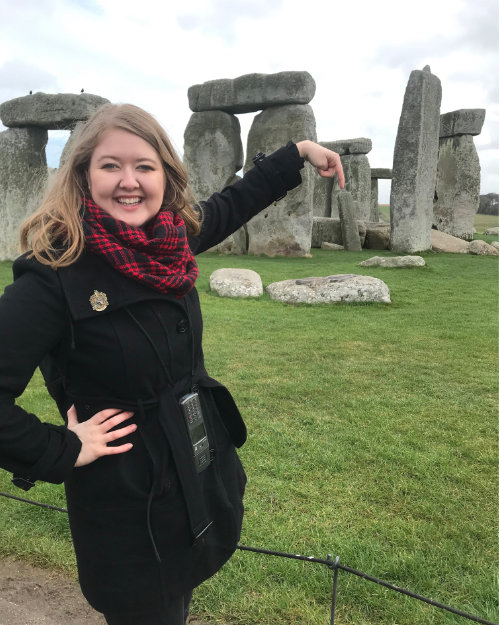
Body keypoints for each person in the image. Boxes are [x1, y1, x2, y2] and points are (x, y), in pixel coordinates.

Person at [0, 103, 344, 624]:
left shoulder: (168, 240)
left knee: (177, 602)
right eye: (110, 165)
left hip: (193, 474)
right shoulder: (54, 277)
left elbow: (232, 204)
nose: (128, 181)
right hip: (127, 506)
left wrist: (295, 153)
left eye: (144, 166)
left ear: (166, 175)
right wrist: (62, 448)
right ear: (83, 176)